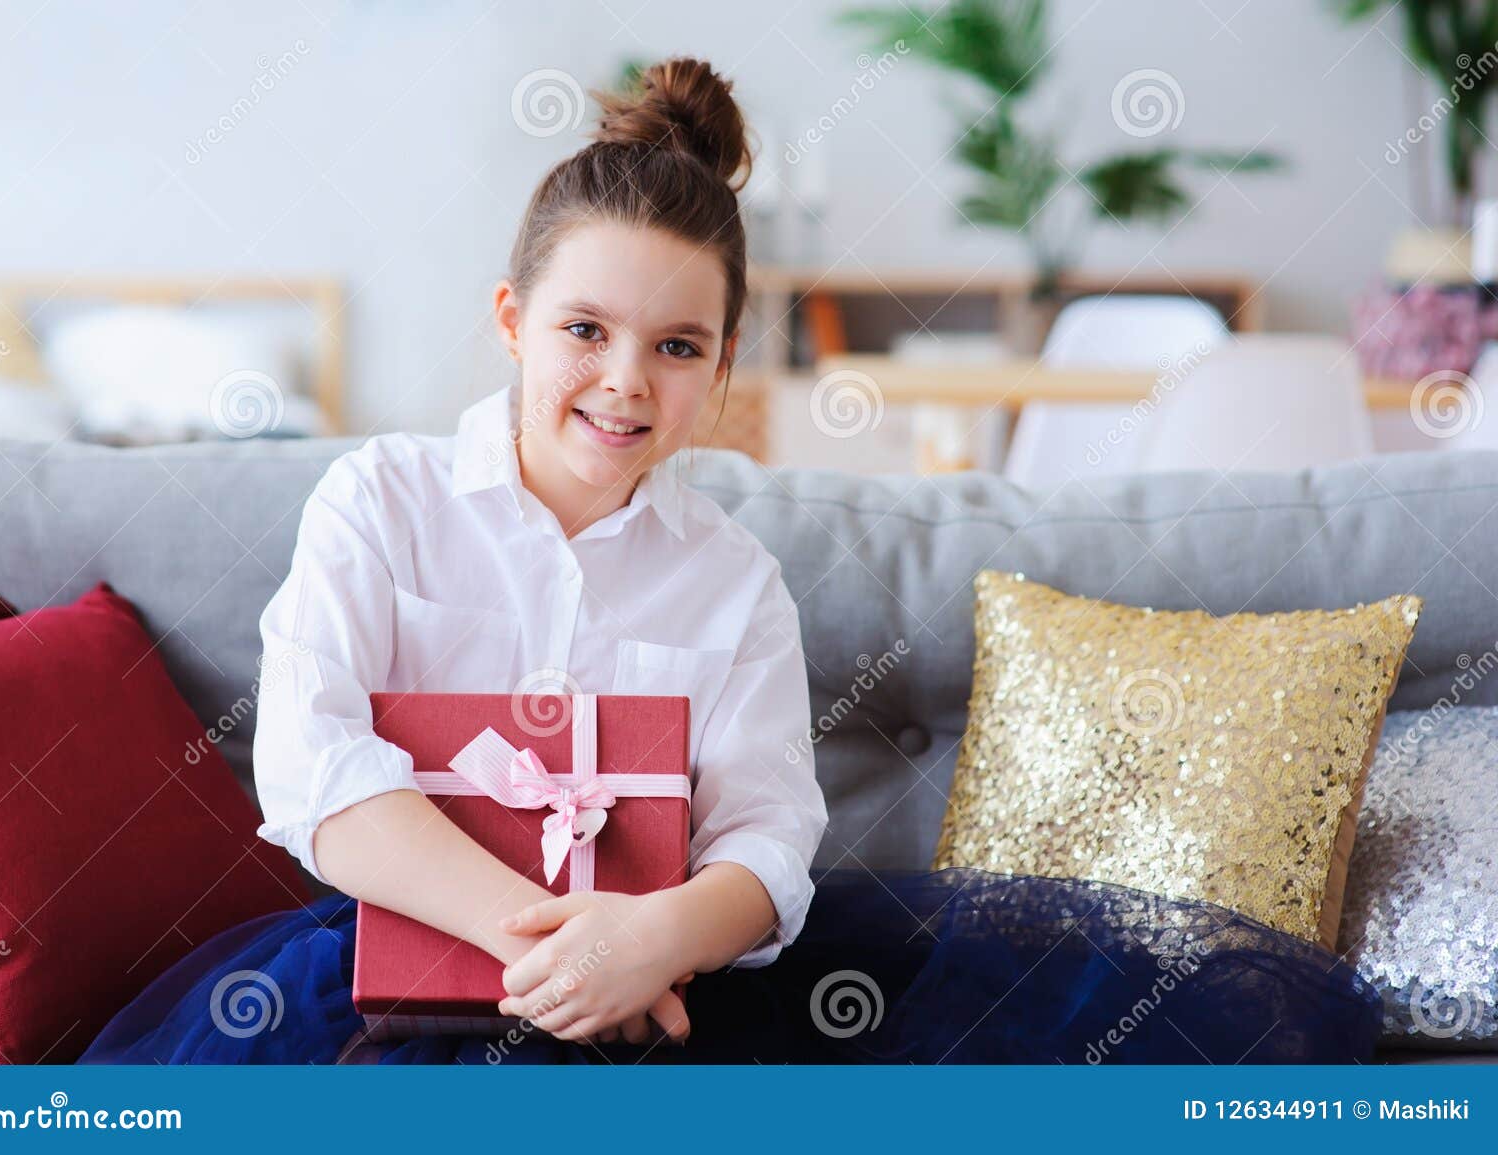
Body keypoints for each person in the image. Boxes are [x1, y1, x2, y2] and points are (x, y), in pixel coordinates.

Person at [80, 57, 1383, 1066]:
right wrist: (548, 947)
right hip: (415, 963)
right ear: (512, 320)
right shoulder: (381, 500)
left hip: (679, 987)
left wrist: (647, 941)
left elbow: (767, 833)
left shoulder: (730, 578)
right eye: (584, 329)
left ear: (724, 360)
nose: (625, 383)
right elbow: (313, 765)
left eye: (679, 346)